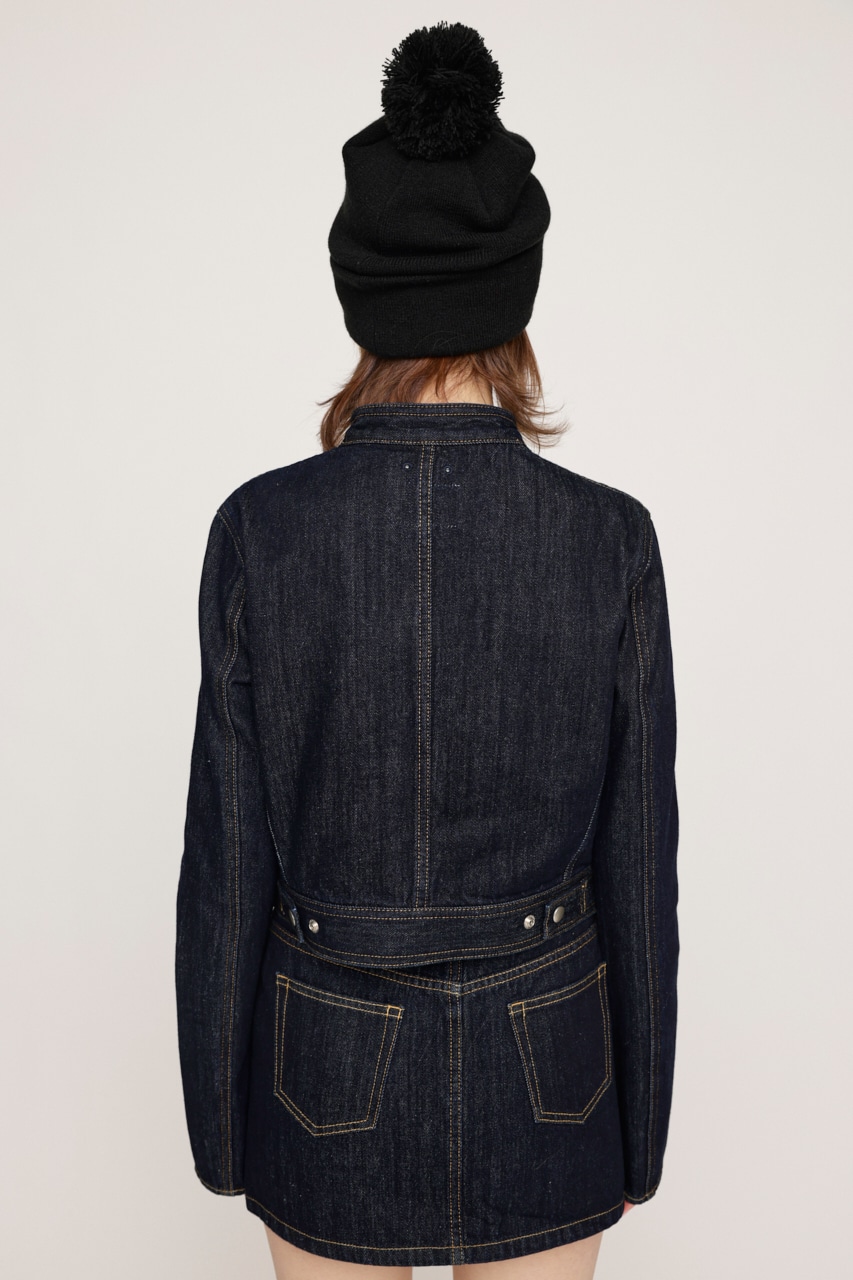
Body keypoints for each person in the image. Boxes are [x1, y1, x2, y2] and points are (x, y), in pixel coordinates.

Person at [175, 20, 679, 1280]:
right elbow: (639, 861)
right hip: (552, 1070)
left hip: (323, 1069)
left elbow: (225, 864)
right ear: (517, 292)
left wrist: (222, 1132)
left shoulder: (260, 531)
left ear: (361, 293)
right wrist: (639, 1131)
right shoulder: (609, 538)